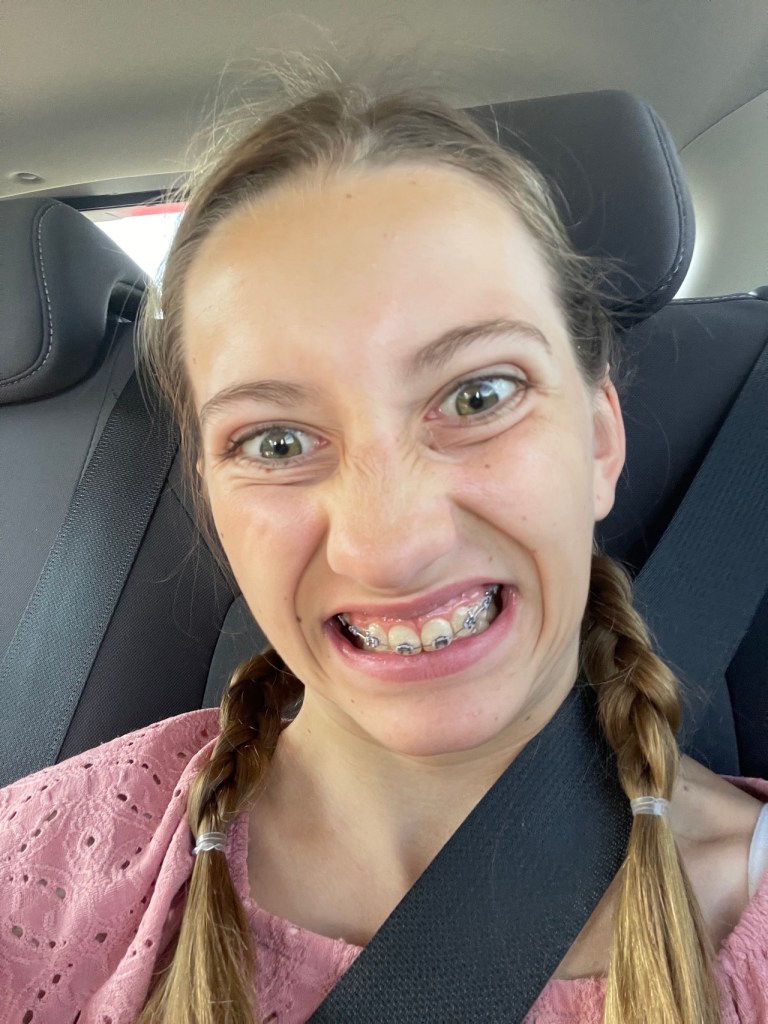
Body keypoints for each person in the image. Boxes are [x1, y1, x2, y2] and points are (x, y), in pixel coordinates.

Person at [2, 80, 767, 1024]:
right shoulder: (32, 873)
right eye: (277, 442)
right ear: (213, 500)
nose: (392, 548)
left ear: (601, 438)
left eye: (480, 396)